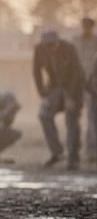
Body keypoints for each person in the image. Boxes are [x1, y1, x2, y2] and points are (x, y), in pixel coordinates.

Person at [33, 29, 85, 170]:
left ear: (58, 42)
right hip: (54, 86)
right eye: (47, 46)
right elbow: (36, 72)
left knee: (71, 119)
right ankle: (57, 152)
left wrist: (71, 98)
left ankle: (73, 158)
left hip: (73, 86)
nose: (50, 48)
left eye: (53, 45)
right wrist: (43, 95)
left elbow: (76, 73)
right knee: (44, 115)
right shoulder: (39, 50)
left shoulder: (69, 48)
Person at [71, 17, 97, 164]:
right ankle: (74, 150)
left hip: (91, 84)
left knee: (92, 119)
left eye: (89, 27)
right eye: (84, 26)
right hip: (76, 82)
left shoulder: (95, 40)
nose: (86, 29)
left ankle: (91, 150)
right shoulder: (75, 40)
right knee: (74, 116)